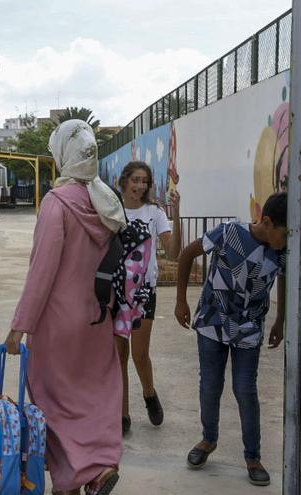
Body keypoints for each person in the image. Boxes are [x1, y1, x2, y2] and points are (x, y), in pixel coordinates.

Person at [4, 120, 126, 495]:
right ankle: (101, 465)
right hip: (96, 317)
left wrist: (19, 326)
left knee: (52, 401)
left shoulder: (56, 205)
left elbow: (42, 272)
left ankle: (70, 480)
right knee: (95, 393)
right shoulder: (106, 201)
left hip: (57, 323)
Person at [174, 191, 287, 487]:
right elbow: (187, 254)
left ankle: (253, 456)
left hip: (249, 329)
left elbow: (283, 280)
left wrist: (280, 318)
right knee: (210, 385)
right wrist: (181, 301)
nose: (286, 240)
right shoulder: (228, 232)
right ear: (267, 222)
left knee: (245, 389)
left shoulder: (280, 251)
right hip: (213, 322)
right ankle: (208, 440)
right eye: (284, 233)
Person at [115, 161, 182, 435]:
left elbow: (174, 252)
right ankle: (122, 414)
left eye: (145, 181)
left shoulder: (154, 212)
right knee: (119, 355)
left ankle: (149, 393)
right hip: (117, 292)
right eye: (136, 180)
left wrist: (176, 214)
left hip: (144, 292)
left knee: (140, 355)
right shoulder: (112, 209)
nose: (140, 185)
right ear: (125, 181)